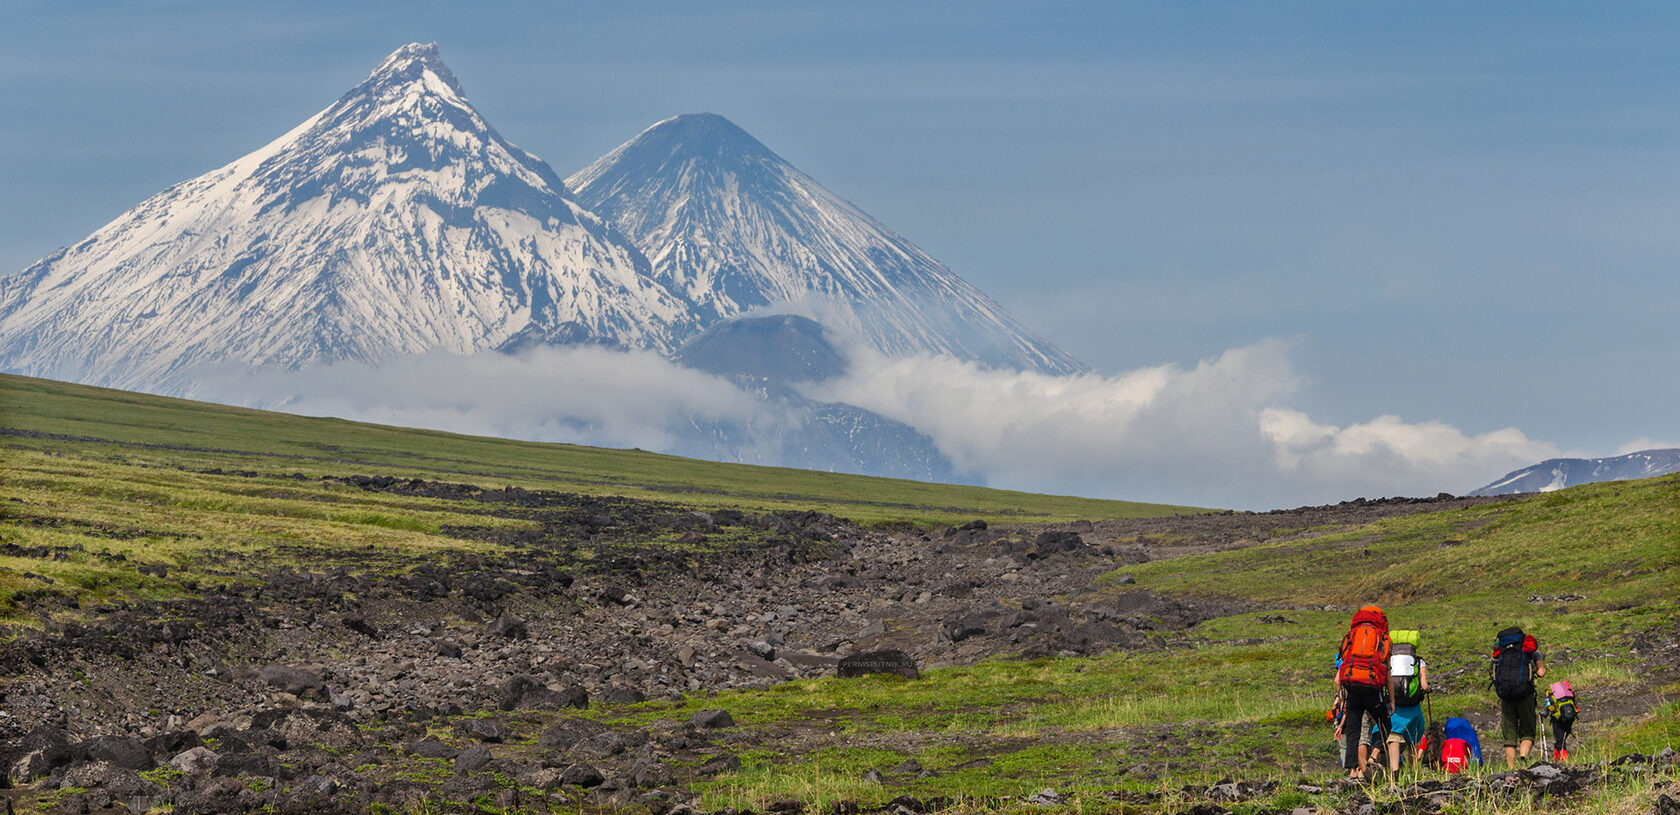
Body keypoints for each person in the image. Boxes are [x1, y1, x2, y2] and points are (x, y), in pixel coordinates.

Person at [1336, 605, 1392, 779]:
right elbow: (1388, 674)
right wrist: (1392, 701)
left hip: (1352, 689)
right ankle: (1373, 757)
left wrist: (1341, 698)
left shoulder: (1350, 637)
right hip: (1372, 690)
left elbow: (1338, 678)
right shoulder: (1382, 639)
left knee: (1353, 730)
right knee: (1385, 724)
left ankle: (1352, 771)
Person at [1491, 626, 1546, 767]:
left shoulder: (1501, 649)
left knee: (1509, 737)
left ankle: (1510, 768)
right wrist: (1537, 667)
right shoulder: (1529, 649)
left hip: (1506, 695)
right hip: (1524, 694)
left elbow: (1494, 668)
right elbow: (1541, 673)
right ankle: (1523, 760)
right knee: (1527, 732)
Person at [1385, 629, 1429, 772]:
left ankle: (1394, 770)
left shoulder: (1389, 658)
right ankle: (1413, 771)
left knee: (1394, 736)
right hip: (1412, 706)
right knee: (1414, 738)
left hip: (1394, 704)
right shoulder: (1418, 661)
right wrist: (1427, 689)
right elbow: (1424, 685)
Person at [1544, 680, 1580, 761]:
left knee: (1560, 740)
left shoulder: (1550, 697)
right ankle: (1556, 760)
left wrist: (1544, 713)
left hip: (1558, 720)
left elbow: (1547, 710)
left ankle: (1565, 761)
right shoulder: (1568, 694)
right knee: (1560, 740)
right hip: (1570, 719)